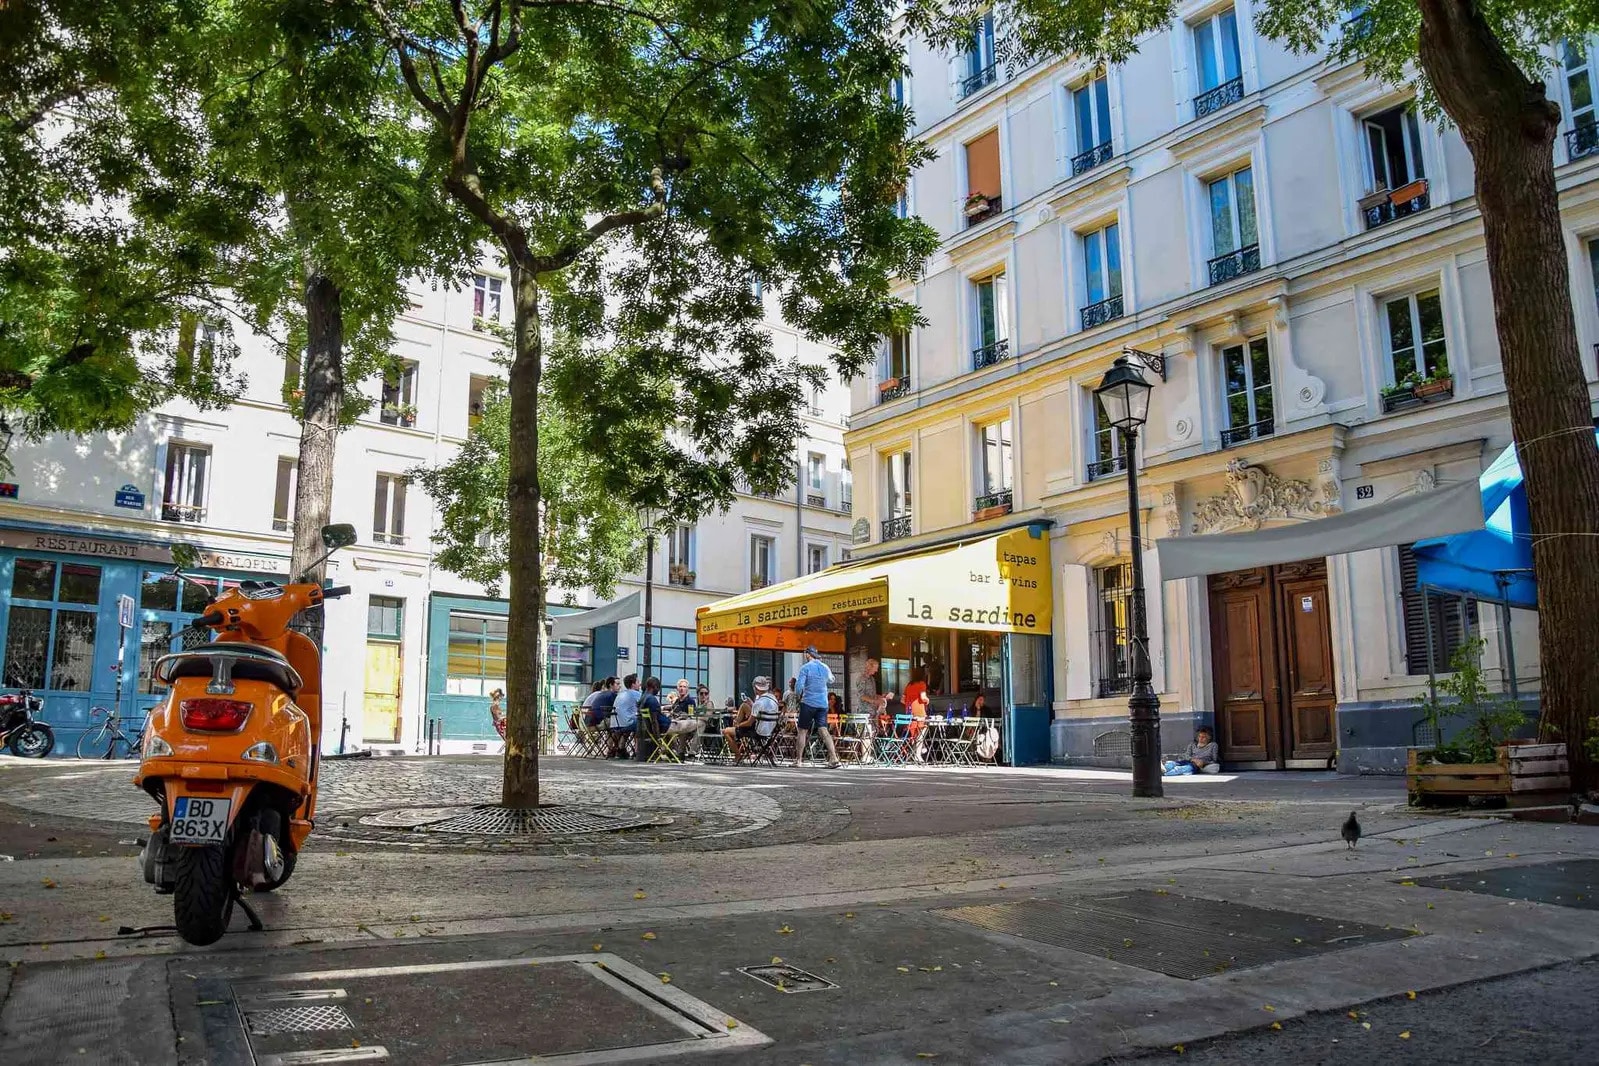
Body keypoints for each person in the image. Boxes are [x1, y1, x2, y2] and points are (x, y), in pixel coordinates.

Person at [793, 646, 842, 769]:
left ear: (808, 655)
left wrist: (799, 697)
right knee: (823, 730)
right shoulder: (825, 667)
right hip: (823, 704)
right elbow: (831, 679)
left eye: (806, 653)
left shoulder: (805, 668)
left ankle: (798, 760)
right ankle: (834, 758)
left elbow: (799, 687)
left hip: (808, 702)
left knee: (802, 731)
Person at [722, 677, 781, 764]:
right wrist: (751, 704)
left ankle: (738, 755)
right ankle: (736, 727)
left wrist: (739, 725)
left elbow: (749, 723)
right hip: (770, 730)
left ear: (756, 688)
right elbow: (761, 712)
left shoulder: (759, 703)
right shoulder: (773, 699)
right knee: (744, 705)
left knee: (726, 731)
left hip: (758, 731)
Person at [610, 674, 641, 758]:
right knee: (641, 723)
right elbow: (646, 704)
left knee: (631, 722)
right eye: (638, 682)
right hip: (626, 724)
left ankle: (621, 748)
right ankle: (638, 750)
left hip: (615, 724)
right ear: (633, 684)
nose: (640, 684)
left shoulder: (621, 694)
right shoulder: (635, 693)